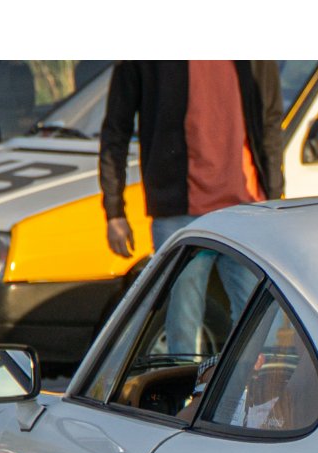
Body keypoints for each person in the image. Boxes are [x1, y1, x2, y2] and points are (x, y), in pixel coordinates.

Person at [99, 62, 283, 360]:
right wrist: (114, 211)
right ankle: (186, 400)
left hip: (246, 210)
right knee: (183, 330)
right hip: (180, 213)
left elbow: (271, 120)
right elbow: (115, 131)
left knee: (262, 323)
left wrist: (273, 199)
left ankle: (246, 401)